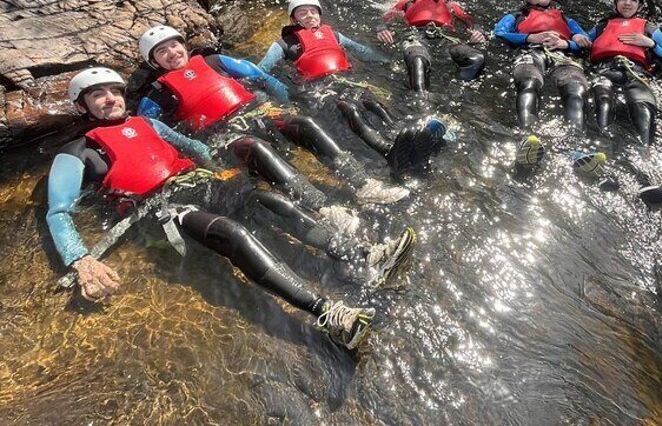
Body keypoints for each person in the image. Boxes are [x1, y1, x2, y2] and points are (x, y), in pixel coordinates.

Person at [46, 68, 417, 348]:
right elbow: (58, 212)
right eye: (98, 95)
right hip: (163, 212)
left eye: (114, 91)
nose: (110, 98)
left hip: (203, 187)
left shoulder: (149, 123)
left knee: (272, 201)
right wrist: (80, 259)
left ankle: (366, 256)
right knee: (232, 232)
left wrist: (215, 167)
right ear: (83, 105)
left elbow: (195, 149)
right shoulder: (77, 152)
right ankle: (328, 314)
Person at [136, 25, 407, 205]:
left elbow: (263, 77)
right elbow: (150, 136)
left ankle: (363, 185)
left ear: (184, 45)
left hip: (258, 113)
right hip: (226, 137)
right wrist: (200, 156)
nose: (172, 53)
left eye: (174, 46)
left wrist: (287, 103)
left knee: (305, 124)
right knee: (258, 149)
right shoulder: (157, 95)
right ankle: (325, 209)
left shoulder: (216, 62)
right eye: (162, 51)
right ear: (154, 62)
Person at [261, 0, 447, 173]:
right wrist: (260, 90)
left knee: (373, 104)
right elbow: (263, 68)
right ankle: (387, 151)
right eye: (302, 13)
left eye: (313, 11)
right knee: (350, 109)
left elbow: (362, 51)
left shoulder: (333, 34)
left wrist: (389, 61)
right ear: (293, 20)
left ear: (319, 15)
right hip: (318, 88)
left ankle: (407, 139)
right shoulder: (285, 44)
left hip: (344, 81)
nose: (309, 15)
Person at [493, 0, 593, 165]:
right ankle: (527, 139)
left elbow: (586, 42)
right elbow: (499, 34)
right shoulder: (516, 16)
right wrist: (531, 37)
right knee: (529, 83)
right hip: (530, 51)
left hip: (562, 54)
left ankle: (576, 149)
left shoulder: (565, 19)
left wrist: (567, 42)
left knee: (575, 89)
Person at [585, 0, 662, 146]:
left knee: (642, 107)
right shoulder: (602, 26)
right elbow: (581, 43)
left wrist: (651, 44)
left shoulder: (649, 29)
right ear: (616, 3)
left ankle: (645, 151)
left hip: (636, 73)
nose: (628, 3)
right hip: (605, 71)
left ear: (639, 6)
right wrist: (574, 39)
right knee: (604, 101)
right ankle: (601, 143)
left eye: (634, 0)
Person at [376, 0, 487, 91]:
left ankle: (457, 90)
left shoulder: (451, 6)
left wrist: (478, 31)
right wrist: (381, 29)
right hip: (416, 35)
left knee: (476, 59)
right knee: (417, 60)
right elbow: (384, 19)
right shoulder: (407, 3)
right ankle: (421, 99)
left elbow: (470, 21)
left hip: (445, 38)